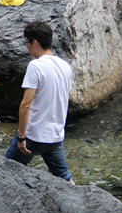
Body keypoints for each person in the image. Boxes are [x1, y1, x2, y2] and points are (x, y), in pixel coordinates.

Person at [5, 20, 75, 184]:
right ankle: (83, 198)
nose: (27, 47)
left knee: (5, 171)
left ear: (35, 43)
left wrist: (22, 137)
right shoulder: (65, 66)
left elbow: (25, 104)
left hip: (34, 135)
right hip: (55, 136)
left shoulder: (35, 66)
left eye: (27, 43)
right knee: (64, 177)